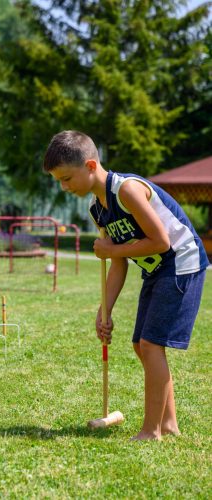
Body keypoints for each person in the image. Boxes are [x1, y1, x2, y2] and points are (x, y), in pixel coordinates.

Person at [43, 130, 209, 440]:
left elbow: (159, 241)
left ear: (91, 166)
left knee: (151, 345)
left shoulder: (127, 191)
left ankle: (152, 430)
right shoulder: (98, 209)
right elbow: (117, 264)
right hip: (157, 270)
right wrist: (103, 310)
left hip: (181, 263)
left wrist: (112, 250)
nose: (64, 187)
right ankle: (169, 422)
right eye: (59, 181)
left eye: (66, 178)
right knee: (141, 345)